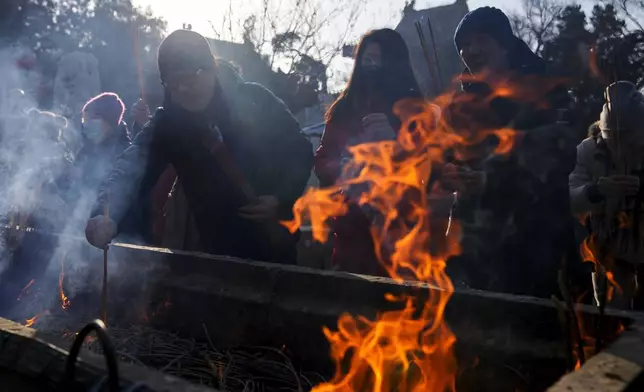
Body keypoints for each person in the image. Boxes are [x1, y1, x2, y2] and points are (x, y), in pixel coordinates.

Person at [84, 30, 313, 263]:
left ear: (211, 68)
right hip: (214, 251)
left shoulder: (255, 100)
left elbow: (299, 150)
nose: (183, 89)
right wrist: (105, 213)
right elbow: (131, 166)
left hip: (274, 248)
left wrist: (280, 197)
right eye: (173, 83)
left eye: (190, 77)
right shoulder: (168, 124)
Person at [441, 7, 579, 297]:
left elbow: (560, 152)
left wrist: (491, 177)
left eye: (481, 39)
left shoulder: (543, 85)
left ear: (504, 43)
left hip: (535, 240)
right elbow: (449, 156)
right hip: (475, 245)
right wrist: (448, 170)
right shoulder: (461, 99)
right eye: (463, 45)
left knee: (533, 332)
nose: (471, 50)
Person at [314, 28, 425, 275]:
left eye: (381, 61)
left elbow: (429, 171)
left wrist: (395, 145)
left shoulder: (415, 111)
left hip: (402, 236)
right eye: (368, 60)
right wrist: (346, 169)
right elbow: (323, 160)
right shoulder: (344, 108)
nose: (373, 68)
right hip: (351, 233)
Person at [569, 81, 644, 309]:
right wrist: (596, 191)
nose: (622, 147)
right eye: (615, 138)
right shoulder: (586, 152)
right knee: (612, 323)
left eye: (629, 137)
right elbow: (568, 197)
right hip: (608, 255)